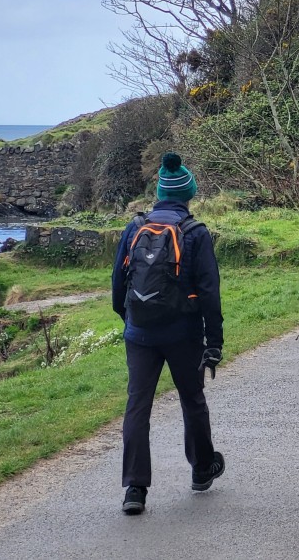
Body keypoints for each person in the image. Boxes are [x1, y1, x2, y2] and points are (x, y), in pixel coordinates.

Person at [113, 152, 225, 515]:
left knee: (137, 406)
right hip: (183, 333)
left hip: (139, 332)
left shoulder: (135, 227)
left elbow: (118, 283)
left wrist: (130, 320)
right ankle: (202, 469)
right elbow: (209, 292)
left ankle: (135, 489)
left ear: (160, 192)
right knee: (192, 399)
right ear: (188, 194)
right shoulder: (195, 232)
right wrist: (214, 341)